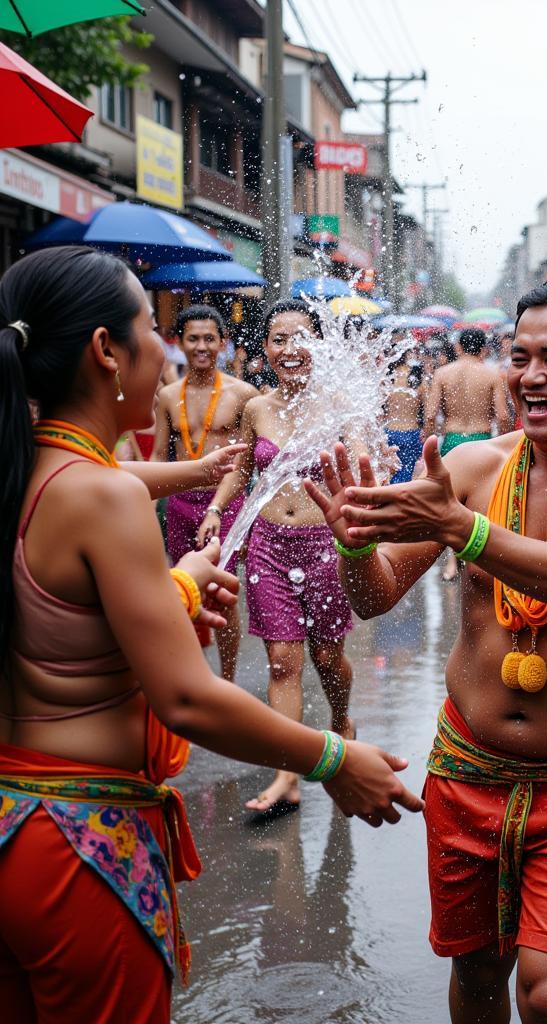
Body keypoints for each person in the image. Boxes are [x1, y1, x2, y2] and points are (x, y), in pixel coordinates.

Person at [0, 247, 423, 1024]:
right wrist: (335, 757)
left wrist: (184, 571)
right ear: (105, 354)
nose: (167, 350)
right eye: (148, 330)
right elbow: (188, 698)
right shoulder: (103, 499)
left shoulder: (24, 472)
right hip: (78, 841)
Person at [304, 279, 547, 1024]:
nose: (530, 376)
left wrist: (462, 531)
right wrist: (351, 548)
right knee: (477, 974)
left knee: (546, 992)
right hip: (467, 772)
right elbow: (375, 596)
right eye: (520, 356)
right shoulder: (472, 471)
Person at [201, 300, 359, 819]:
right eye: (278, 339)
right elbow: (241, 468)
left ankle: (341, 721)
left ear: (318, 345)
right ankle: (288, 774)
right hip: (269, 544)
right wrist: (218, 510)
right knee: (282, 661)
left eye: (300, 338)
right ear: (265, 348)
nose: (290, 349)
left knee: (328, 659)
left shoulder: (339, 404)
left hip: (324, 546)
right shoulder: (257, 408)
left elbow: (361, 466)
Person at [152, 305, 258, 682]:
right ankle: (194, 675)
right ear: (180, 343)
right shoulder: (166, 396)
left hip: (224, 503)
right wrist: (146, 509)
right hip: (179, 505)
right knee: (185, 588)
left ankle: (226, 679)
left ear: (222, 343)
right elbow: (158, 456)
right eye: (193, 338)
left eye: (209, 338)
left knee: (223, 591)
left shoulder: (244, 394)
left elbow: (255, 461)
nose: (201, 346)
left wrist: (252, 520)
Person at [425, 326, 513, 581]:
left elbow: (431, 414)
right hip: (483, 440)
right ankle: (479, 560)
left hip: (452, 440)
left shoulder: (442, 373)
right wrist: (503, 443)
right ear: (484, 349)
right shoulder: (492, 374)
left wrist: (429, 440)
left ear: (459, 347)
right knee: (482, 504)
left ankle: (452, 561)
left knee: (452, 503)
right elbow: (503, 416)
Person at [384, 346, 424, 484]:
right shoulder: (417, 376)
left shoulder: (386, 376)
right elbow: (429, 409)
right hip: (412, 432)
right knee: (411, 476)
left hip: (390, 431)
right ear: (407, 355)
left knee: (390, 473)